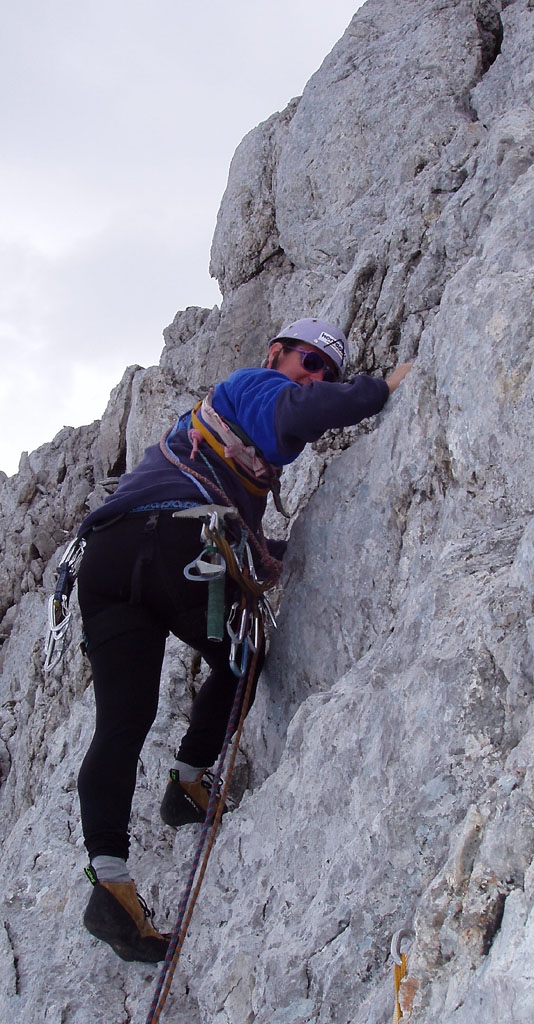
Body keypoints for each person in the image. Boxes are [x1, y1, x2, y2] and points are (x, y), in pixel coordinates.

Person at [75, 317, 412, 962]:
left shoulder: (220, 442)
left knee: (122, 722)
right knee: (244, 654)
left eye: (326, 371)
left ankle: (110, 884)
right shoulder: (252, 388)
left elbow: (238, 510)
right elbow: (293, 410)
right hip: (175, 544)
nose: (314, 376)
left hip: (112, 559)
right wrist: (378, 390)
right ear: (275, 353)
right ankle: (191, 782)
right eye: (307, 361)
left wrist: (276, 551)